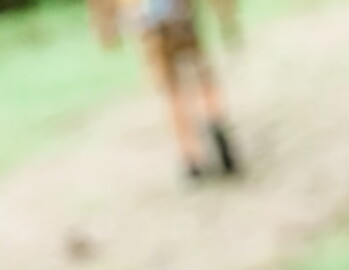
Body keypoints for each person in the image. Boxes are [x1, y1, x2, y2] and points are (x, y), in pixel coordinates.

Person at [89, 0, 240, 181]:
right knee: (202, 76)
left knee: (172, 90)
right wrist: (225, 17)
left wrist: (109, 33)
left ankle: (191, 159)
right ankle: (214, 121)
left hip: (152, 28)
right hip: (182, 17)